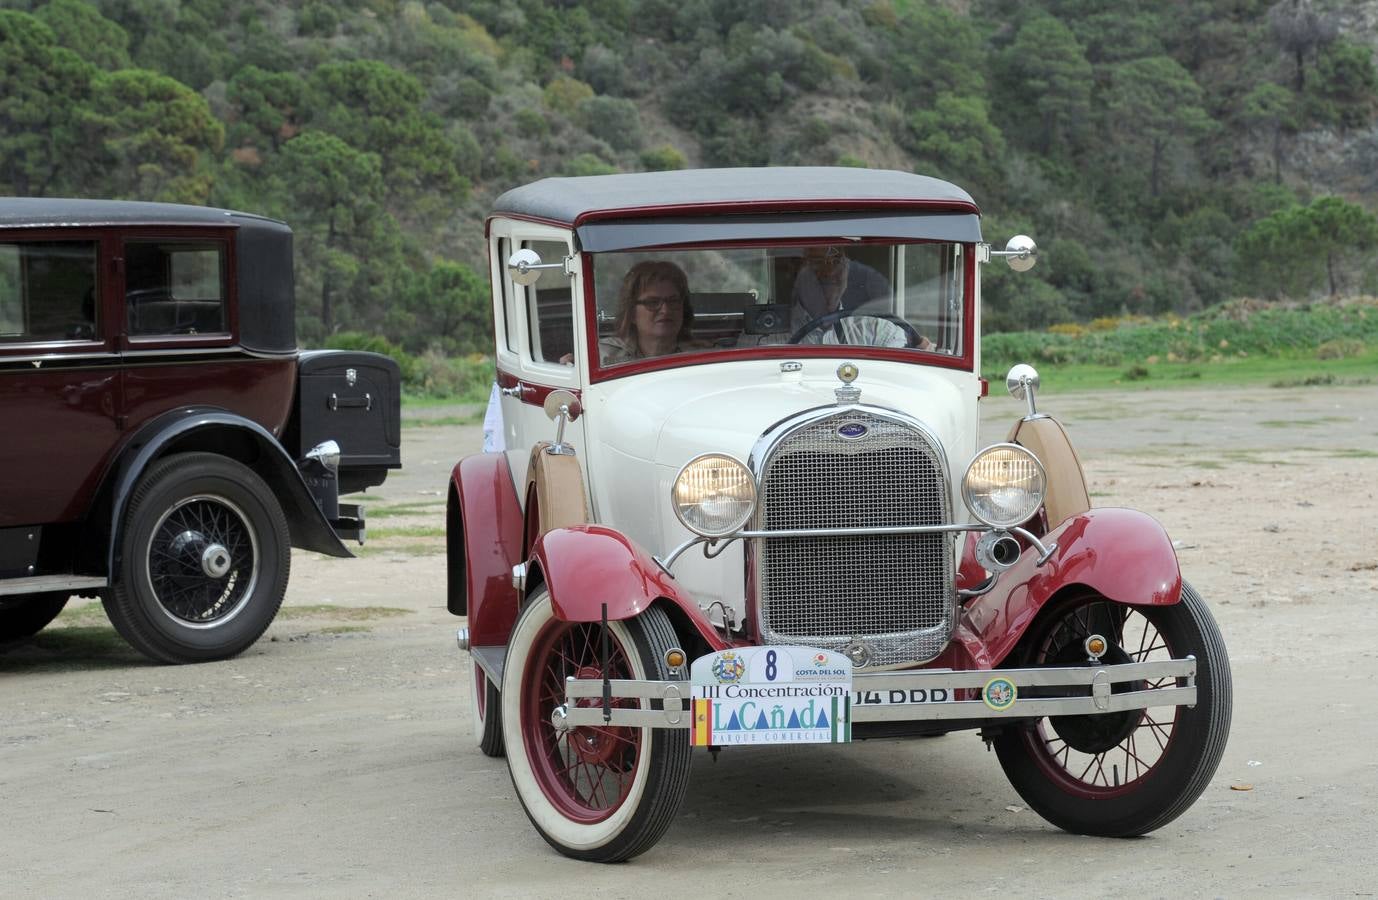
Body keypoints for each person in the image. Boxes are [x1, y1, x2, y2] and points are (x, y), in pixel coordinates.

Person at [786, 245, 933, 350]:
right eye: (817, 263)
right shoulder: (770, 337)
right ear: (798, 275)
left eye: (837, 262)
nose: (830, 272)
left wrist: (920, 351)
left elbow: (900, 346)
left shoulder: (869, 328)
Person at [599, 260, 697, 365]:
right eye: (652, 302)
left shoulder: (702, 357)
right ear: (631, 314)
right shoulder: (603, 356)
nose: (665, 310)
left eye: (673, 301)